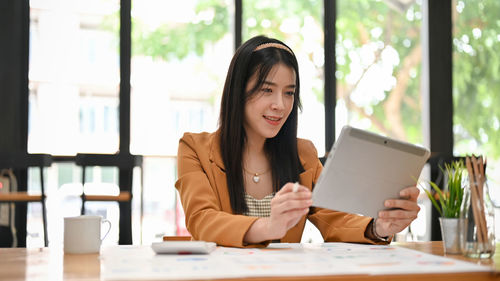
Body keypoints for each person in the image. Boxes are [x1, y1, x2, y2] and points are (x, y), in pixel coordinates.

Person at [175, 35, 420, 248]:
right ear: (238, 91)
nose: (280, 105)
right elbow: (202, 220)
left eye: (289, 92)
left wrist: (379, 227)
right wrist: (270, 227)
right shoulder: (194, 148)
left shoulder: (303, 154)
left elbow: (334, 220)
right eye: (267, 89)